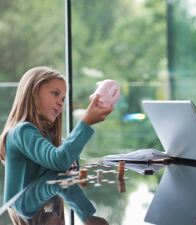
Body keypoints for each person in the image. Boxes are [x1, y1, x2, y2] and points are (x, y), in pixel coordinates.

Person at [0, 66, 113, 224]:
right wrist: (86, 122)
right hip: (22, 203)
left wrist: (71, 164)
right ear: (33, 93)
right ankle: (88, 218)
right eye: (55, 94)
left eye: (63, 98)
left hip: (32, 204)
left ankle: (88, 218)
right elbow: (59, 161)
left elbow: (64, 160)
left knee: (61, 179)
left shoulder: (45, 134)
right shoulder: (22, 131)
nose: (61, 102)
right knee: (60, 180)